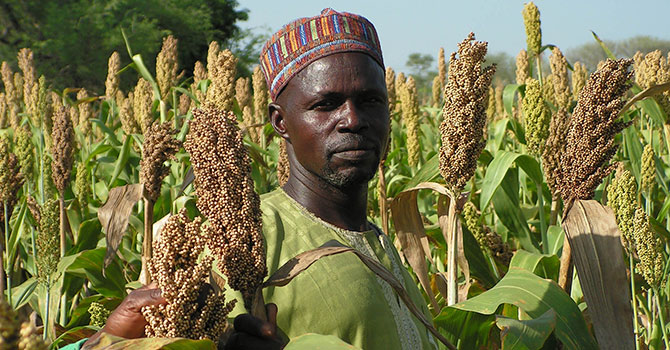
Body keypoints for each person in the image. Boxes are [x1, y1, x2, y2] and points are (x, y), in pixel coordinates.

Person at [63, 8, 437, 350]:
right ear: (280, 122)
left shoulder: (387, 248)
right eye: (326, 104)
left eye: (371, 100)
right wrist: (102, 342)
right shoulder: (238, 237)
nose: (353, 119)